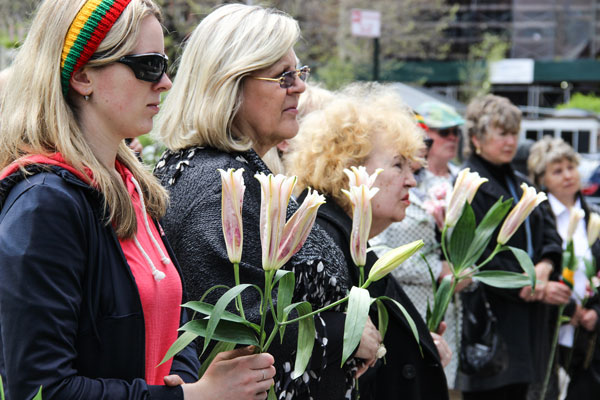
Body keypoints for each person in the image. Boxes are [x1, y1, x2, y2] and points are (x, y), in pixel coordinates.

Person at [0, 1, 275, 399]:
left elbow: (170, 329)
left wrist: (187, 378)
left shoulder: (132, 187)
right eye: (149, 66)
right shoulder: (45, 204)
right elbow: (42, 389)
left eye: (165, 64)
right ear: (82, 76)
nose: (164, 82)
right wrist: (193, 396)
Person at [153, 4, 381, 399]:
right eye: (283, 76)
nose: (300, 87)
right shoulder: (220, 185)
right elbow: (233, 331)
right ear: (230, 84)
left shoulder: (226, 170)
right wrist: (346, 332)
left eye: (300, 73)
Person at [285, 83, 451, 400]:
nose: (412, 180)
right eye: (398, 164)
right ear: (349, 169)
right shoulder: (324, 242)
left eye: (412, 166)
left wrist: (418, 349)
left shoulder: (340, 236)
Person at [458, 94, 567, 400]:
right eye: (502, 134)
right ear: (477, 138)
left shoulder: (519, 180)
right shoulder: (470, 183)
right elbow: (476, 253)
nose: (510, 142)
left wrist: (544, 266)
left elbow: (550, 233)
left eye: (514, 134)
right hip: (494, 316)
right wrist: (527, 284)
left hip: (529, 317)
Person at [370, 101, 467, 390]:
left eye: (456, 132)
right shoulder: (388, 185)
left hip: (443, 314)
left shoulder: (447, 179)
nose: (450, 138)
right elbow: (377, 252)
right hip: (404, 307)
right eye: (439, 133)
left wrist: (462, 268)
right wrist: (437, 270)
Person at [528, 136, 600, 400]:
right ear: (542, 178)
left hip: (588, 334)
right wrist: (569, 309)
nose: (568, 175)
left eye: (571, 167)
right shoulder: (538, 217)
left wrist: (594, 312)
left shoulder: (592, 217)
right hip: (551, 326)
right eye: (557, 171)